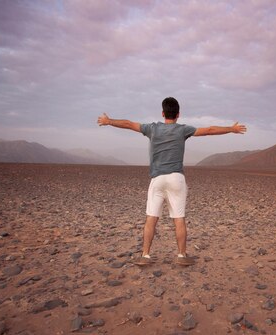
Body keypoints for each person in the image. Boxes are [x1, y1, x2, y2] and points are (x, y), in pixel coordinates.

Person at [97, 97, 247, 266]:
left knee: (151, 218)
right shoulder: (182, 130)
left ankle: (145, 255)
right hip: (176, 179)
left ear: (163, 113)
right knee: (179, 218)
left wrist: (109, 121)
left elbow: (129, 124)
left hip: (158, 179)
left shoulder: (152, 129)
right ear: (178, 114)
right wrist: (231, 129)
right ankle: (182, 256)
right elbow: (210, 130)